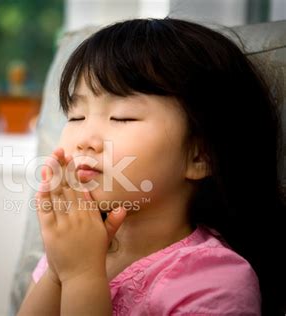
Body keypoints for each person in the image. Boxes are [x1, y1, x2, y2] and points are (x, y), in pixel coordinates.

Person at [17, 18, 286, 315]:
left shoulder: (214, 283)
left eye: (122, 117)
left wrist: (81, 275)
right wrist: (57, 271)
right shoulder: (72, 244)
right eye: (76, 116)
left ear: (200, 156)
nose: (84, 141)